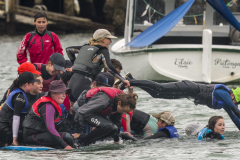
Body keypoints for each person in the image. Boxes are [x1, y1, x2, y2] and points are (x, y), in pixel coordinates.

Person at [127, 79, 240, 130]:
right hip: (188, 87)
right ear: (233, 96)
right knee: (160, 88)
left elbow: (235, 118)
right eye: (236, 102)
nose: (235, 104)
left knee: (156, 94)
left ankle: (132, 80)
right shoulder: (224, 92)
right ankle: (130, 81)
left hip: (188, 94)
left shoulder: (225, 103)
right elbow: (235, 110)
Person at [66, 29, 130, 106]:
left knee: (72, 110)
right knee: (87, 111)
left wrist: (75, 64)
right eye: (109, 39)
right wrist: (123, 80)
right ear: (103, 40)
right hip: (84, 85)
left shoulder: (85, 47)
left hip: (72, 83)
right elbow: (109, 67)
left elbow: (68, 50)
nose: (111, 41)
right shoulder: (103, 50)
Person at [72, 85, 138, 146]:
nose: (124, 112)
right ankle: (81, 144)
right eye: (124, 110)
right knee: (108, 127)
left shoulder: (119, 104)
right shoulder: (103, 100)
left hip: (92, 112)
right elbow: (81, 111)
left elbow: (116, 125)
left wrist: (117, 141)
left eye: (126, 111)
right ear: (119, 103)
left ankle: (86, 142)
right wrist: (78, 132)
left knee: (113, 128)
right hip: (80, 109)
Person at [23, 80, 75, 149]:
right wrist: (65, 146)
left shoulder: (55, 105)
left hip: (42, 134)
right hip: (32, 136)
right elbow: (50, 128)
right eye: (61, 93)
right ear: (52, 93)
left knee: (69, 137)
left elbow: (63, 127)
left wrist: (71, 115)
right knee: (67, 137)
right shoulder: (48, 106)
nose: (64, 96)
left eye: (65, 93)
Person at [0, 72, 35, 146]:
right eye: (32, 84)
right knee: (27, 137)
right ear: (26, 84)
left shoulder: (17, 91)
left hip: (6, 127)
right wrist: (15, 140)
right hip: (4, 129)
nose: (33, 86)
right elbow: (16, 118)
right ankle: (6, 142)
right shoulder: (19, 98)